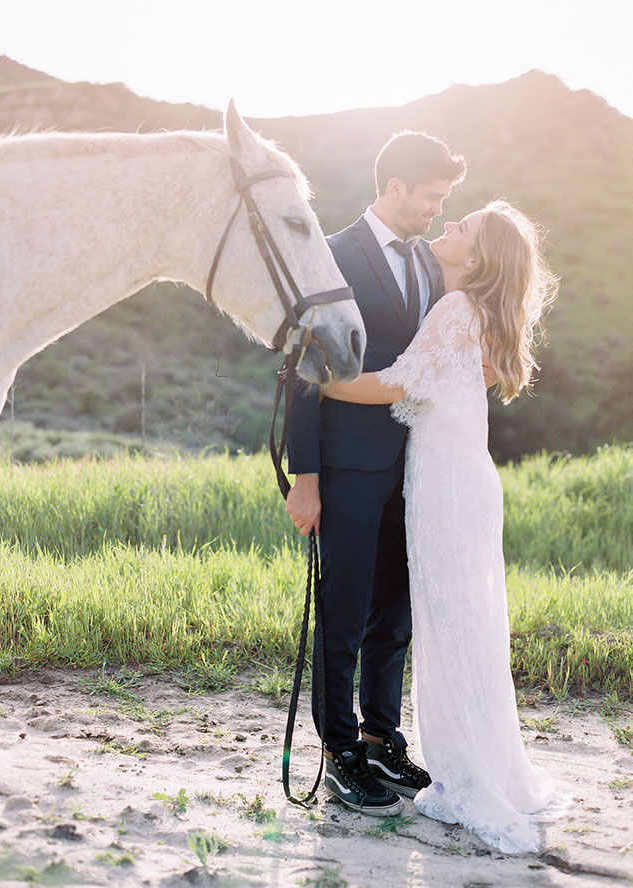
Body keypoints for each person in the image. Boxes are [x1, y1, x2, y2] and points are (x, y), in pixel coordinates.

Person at [322, 199, 563, 853]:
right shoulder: (477, 311)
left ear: (477, 257)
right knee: (464, 628)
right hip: (463, 483)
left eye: (463, 229)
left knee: (450, 628)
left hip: (447, 492)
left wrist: (321, 380)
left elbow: (395, 384)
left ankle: (463, 781)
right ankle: (477, 768)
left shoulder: (457, 309)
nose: (447, 228)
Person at [286, 130, 468, 816]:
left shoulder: (429, 261)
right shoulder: (329, 257)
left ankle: (380, 733)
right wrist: (305, 479)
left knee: (396, 613)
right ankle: (338, 753)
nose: (435, 210)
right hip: (348, 467)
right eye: (430, 198)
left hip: (416, 468)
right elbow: (306, 374)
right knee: (346, 613)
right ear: (394, 187)